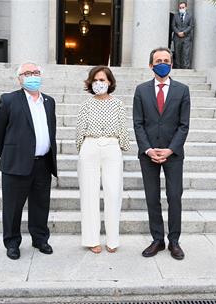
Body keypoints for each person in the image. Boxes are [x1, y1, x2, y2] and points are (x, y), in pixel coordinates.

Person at [0, 62, 58, 260]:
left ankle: (40, 239)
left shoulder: (49, 101)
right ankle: (12, 243)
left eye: (35, 72)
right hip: (16, 164)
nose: (32, 76)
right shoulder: (9, 100)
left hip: (43, 163)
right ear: (20, 79)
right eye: (27, 73)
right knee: (12, 207)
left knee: (40, 204)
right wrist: (9, 152)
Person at [133, 47, 190, 260]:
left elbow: (184, 125)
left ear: (172, 64)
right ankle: (157, 239)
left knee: (174, 197)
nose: (163, 63)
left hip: (173, 154)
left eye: (166, 60)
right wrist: (148, 149)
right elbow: (138, 124)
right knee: (152, 198)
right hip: (148, 154)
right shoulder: (141, 90)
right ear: (151, 65)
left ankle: (174, 241)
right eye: (158, 60)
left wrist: (170, 149)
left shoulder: (182, 90)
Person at [76, 66, 130, 254]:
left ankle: (113, 240)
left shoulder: (118, 104)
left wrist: (120, 147)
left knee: (113, 193)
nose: (99, 83)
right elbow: (79, 130)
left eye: (103, 80)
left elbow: (123, 129)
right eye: (96, 80)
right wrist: (82, 149)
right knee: (89, 194)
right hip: (90, 145)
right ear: (91, 83)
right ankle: (92, 239)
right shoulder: (85, 105)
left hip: (112, 146)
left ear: (110, 82)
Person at [171, 1, 194, 69]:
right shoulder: (175, 16)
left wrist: (184, 32)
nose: (181, 9)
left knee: (186, 53)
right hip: (177, 37)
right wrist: (178, 32)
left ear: (186, 7)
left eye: (183, 7)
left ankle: (185, 67)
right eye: (180, 7)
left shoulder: (190, 16)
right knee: (177, 53)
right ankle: (178, 67)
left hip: (186, 37)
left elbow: (191, 26)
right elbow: (173, 25)